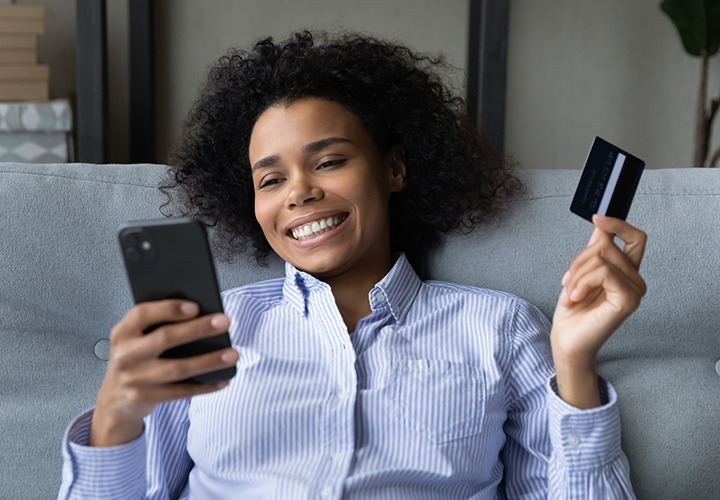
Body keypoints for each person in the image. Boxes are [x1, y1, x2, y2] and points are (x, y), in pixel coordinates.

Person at [58, 31, 646, 499]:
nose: (299, 193)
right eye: (271, 179)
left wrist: (573, 363)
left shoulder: (501, 328)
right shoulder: (211, 331)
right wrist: (116, 410)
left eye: (330, 161)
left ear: (393, 169)